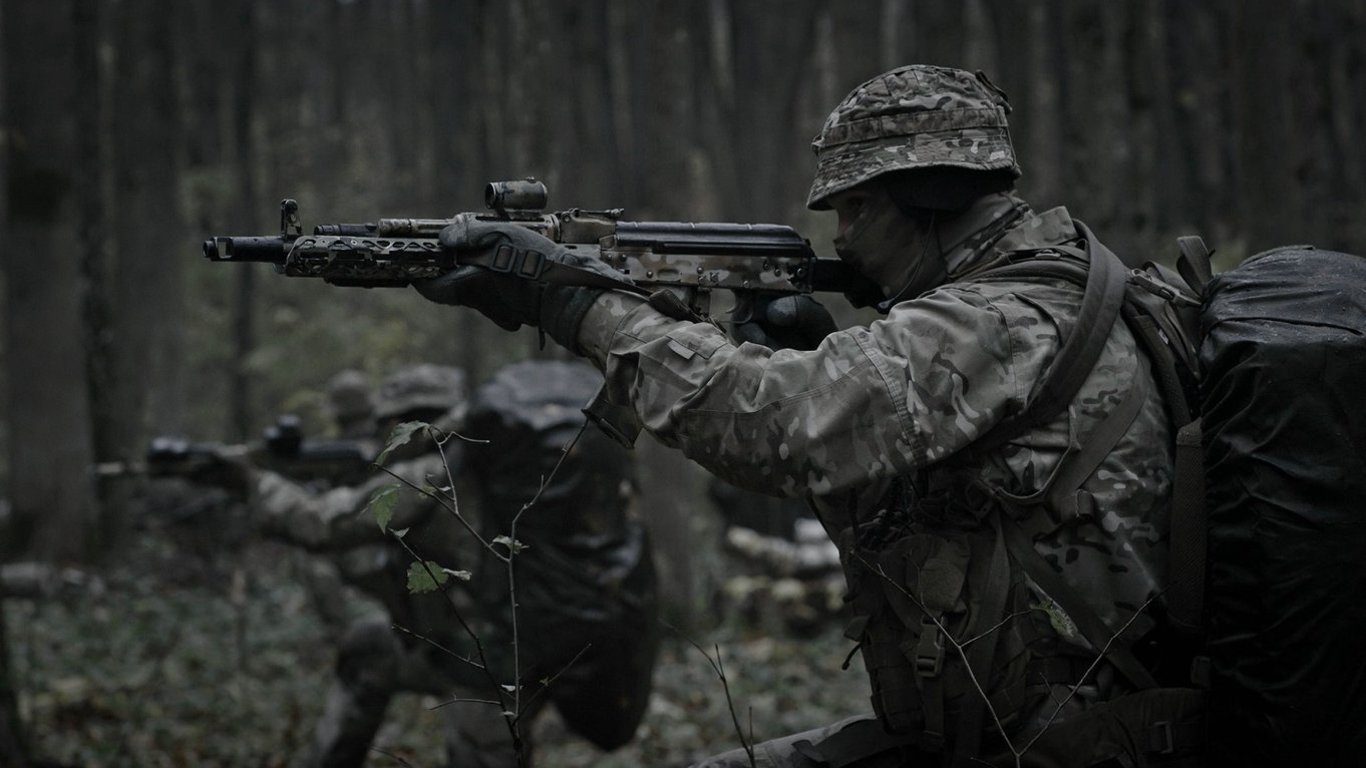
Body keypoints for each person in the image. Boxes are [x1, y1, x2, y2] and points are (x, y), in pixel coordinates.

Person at [412, 65, 1204, 767]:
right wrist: (818, 353)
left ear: (927, 194)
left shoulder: (999, 321)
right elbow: (930, 520)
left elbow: (775, 429)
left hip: (1068, 743)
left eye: (855, 208)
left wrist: (582, 308)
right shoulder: (1064, 291)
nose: (842, 237)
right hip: (1025, 728)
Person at [244, 362, 658, 768]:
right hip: (548, 638)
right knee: (369, 648)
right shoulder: (504, 469)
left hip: (489, 661)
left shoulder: (433, 476)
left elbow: (323, 523)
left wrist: (252, 482)